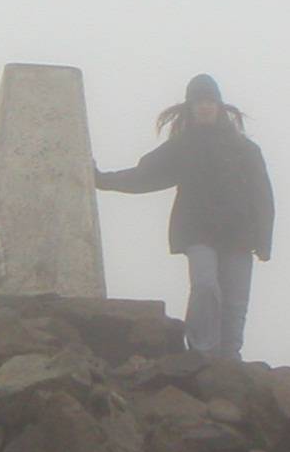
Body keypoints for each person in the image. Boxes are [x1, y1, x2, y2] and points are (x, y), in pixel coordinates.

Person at [95, 74, 275, 361]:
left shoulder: (245, 150)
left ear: (219, 106)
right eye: (199, 102)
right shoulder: (182, 146)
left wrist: (264, 240)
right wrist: (102, 180)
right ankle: (202, 353)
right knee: (205, 285)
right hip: (197, 232)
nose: (205, 107)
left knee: (235, 303)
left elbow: (263, 196)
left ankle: (230, 360)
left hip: (239, 235)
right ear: (190, 107)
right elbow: (144, 176)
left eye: (209, 101)